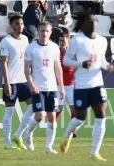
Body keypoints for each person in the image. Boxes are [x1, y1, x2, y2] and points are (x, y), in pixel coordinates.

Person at [60, 13, 114, 161]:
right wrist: (81, 64)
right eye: (89, 21)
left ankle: (94, 153)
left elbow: (101, 60)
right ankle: (67, 136)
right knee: (80, 117)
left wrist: (106, 66)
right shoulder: (77, 41)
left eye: (94, 21)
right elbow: (66, 60)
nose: (93, 23)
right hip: (81, 85)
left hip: (97, 83)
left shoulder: (102, 41)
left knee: (101, 114)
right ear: (83, 24)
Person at [23, 22, 64, 153]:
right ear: (38, 31)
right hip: (38, 88)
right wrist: (31, 85)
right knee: (40, 116)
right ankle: (28, 134)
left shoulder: (54, 47)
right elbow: (26, 69)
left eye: (47, 31)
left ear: (50, 32)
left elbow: (58, 68)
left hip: (52, 87)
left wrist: (61, 86)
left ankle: (48, 147)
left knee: (52, 117)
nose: (44, 33)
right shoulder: (31, 47)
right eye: (42, 31)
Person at [0, 15, 32, 150]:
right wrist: (7, 83)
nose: (20, 26)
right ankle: (7, 142)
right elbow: (4, 63)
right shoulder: (6, 41)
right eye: (17, 24)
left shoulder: (25, 39)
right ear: (11, 25)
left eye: (22, 23)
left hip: (23, 80)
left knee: (34, 106)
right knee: (9, 112)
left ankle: (18, 134)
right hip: (11, 81)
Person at [55, 28, 78, 137]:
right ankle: (52, 127)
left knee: (73, 108)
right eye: (60, 41)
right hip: (59, 86)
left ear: (68, 41)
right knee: (59, 109)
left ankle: (73, 131)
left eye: (63, 41)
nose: (61, 43)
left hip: (71, 85)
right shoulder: (56, 53)